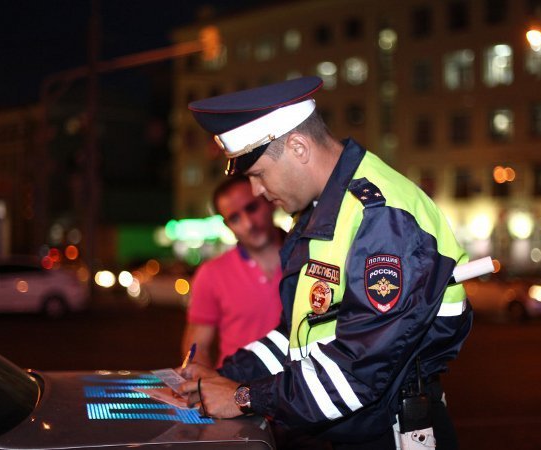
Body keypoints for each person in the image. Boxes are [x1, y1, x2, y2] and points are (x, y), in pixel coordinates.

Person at [178, 76, 472, 450]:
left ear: (298, 147)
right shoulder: (320, 212)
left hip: (393, 433)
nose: (257, 191)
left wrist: (243, 397)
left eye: (258, 174)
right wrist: (222, 375)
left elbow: (358, 372)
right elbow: (301, 333)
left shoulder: (379, 216)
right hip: (355, 427)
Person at [181, 175, 284, 368]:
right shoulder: (211, 274)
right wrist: (204, 379)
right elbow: (197, 347)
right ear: (227, 226)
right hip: (235, 385)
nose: (248, 224)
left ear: (270, 201)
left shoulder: (309, 257)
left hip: (300, 384)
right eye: (235, 218)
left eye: (252, 208)